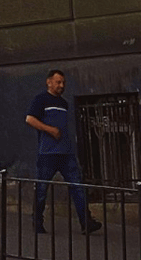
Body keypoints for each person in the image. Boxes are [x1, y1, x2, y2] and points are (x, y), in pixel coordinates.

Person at [26, 69, 103, 234]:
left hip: (66, 152)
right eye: (58, 82)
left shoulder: (64, 103)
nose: (61, 85)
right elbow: (30, 119)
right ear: (49, 82)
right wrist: (50, 130)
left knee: (77, 186)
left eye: (63, 83)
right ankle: (37, 221)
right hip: (47, 153)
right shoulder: (40, 100)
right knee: (41, 189)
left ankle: (86, 222)